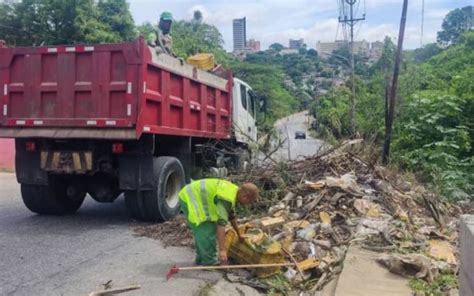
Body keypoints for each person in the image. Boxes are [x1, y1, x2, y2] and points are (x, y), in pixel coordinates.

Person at [179, 179, 259, 265]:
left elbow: (231, 215)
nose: (248, 204)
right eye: (249, 202)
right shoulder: (226, 198)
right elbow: (221, 224)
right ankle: (209, 262)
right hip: (190, 197)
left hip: (192, 194)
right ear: (245, 196)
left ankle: (202, 259)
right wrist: (222, 250)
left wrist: (239, 234)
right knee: (206, 230)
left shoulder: (234, 191)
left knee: (203, 231)